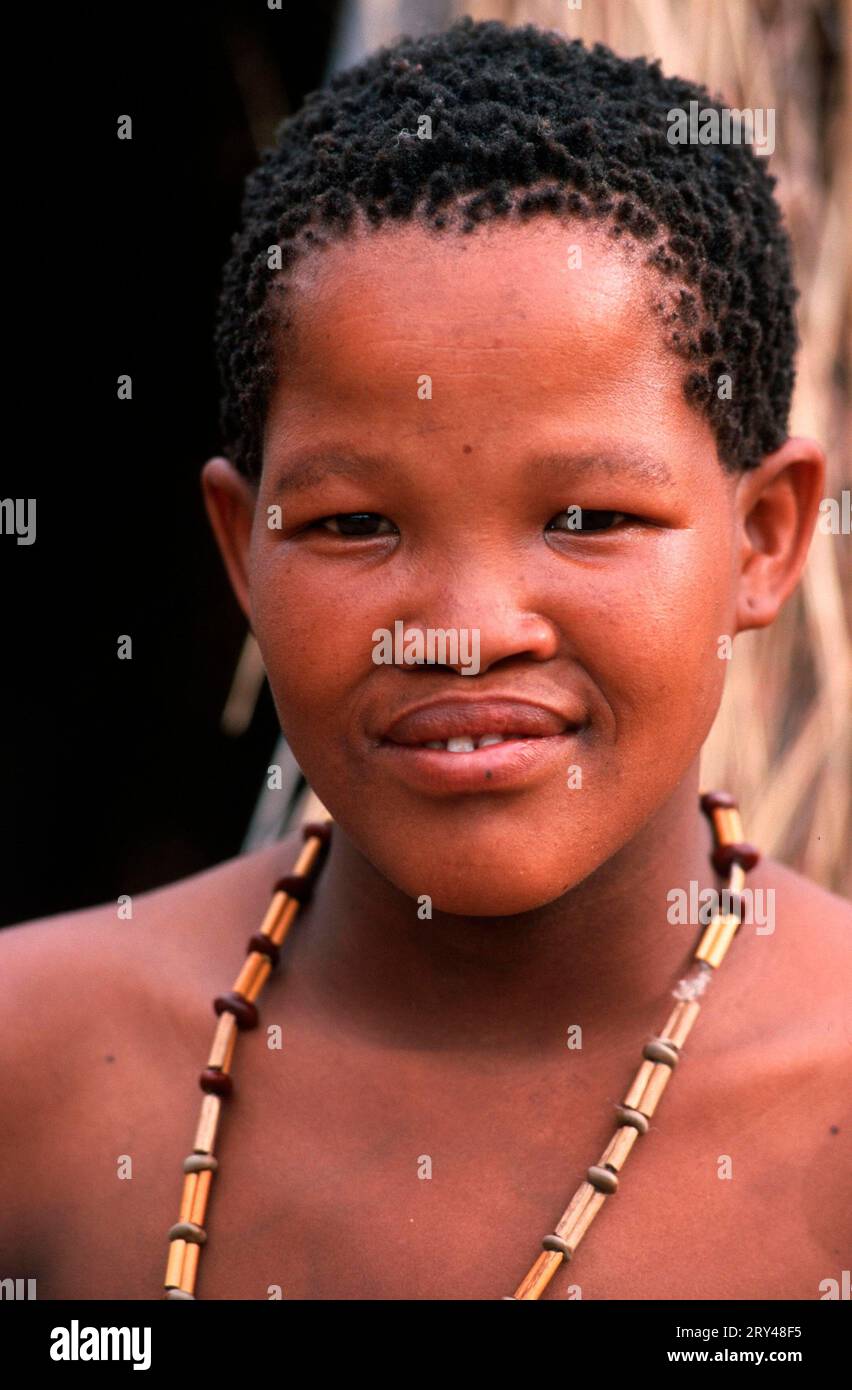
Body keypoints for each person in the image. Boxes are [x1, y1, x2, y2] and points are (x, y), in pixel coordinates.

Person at [1, 17, 849, 1302]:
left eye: (589, 519)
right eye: (353, 525)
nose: (462, 625)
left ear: (765, 538)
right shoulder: (36, 1064)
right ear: (241, 551)